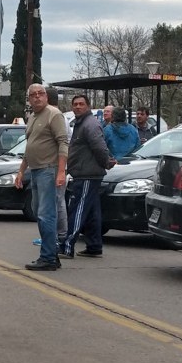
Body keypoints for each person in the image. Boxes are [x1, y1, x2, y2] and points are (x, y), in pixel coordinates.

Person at [15, 84, 68, 271]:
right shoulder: (32, 117)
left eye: (40, 94)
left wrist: (61, 171)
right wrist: (21, 171)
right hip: (36, 170)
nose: (37, 97)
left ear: (46, 96)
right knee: (39, 212)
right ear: (29, 99)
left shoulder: (54, 114)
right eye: (33, 95)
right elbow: (30, 146)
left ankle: (48, 258)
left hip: (49, 169)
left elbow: (63, 142)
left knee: (46, 214)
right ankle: (52, 253)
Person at [61, 95, 115, 259]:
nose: (78, 107)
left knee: (77, 210)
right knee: (92, 212)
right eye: (75, 104)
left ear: (88, 106)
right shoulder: (81, 123)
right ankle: (94, 245)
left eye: (81, 104)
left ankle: (67, 246)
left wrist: (106, 162)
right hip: (86, 173)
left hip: (87, 174)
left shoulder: (90, 124)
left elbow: (99, 147)